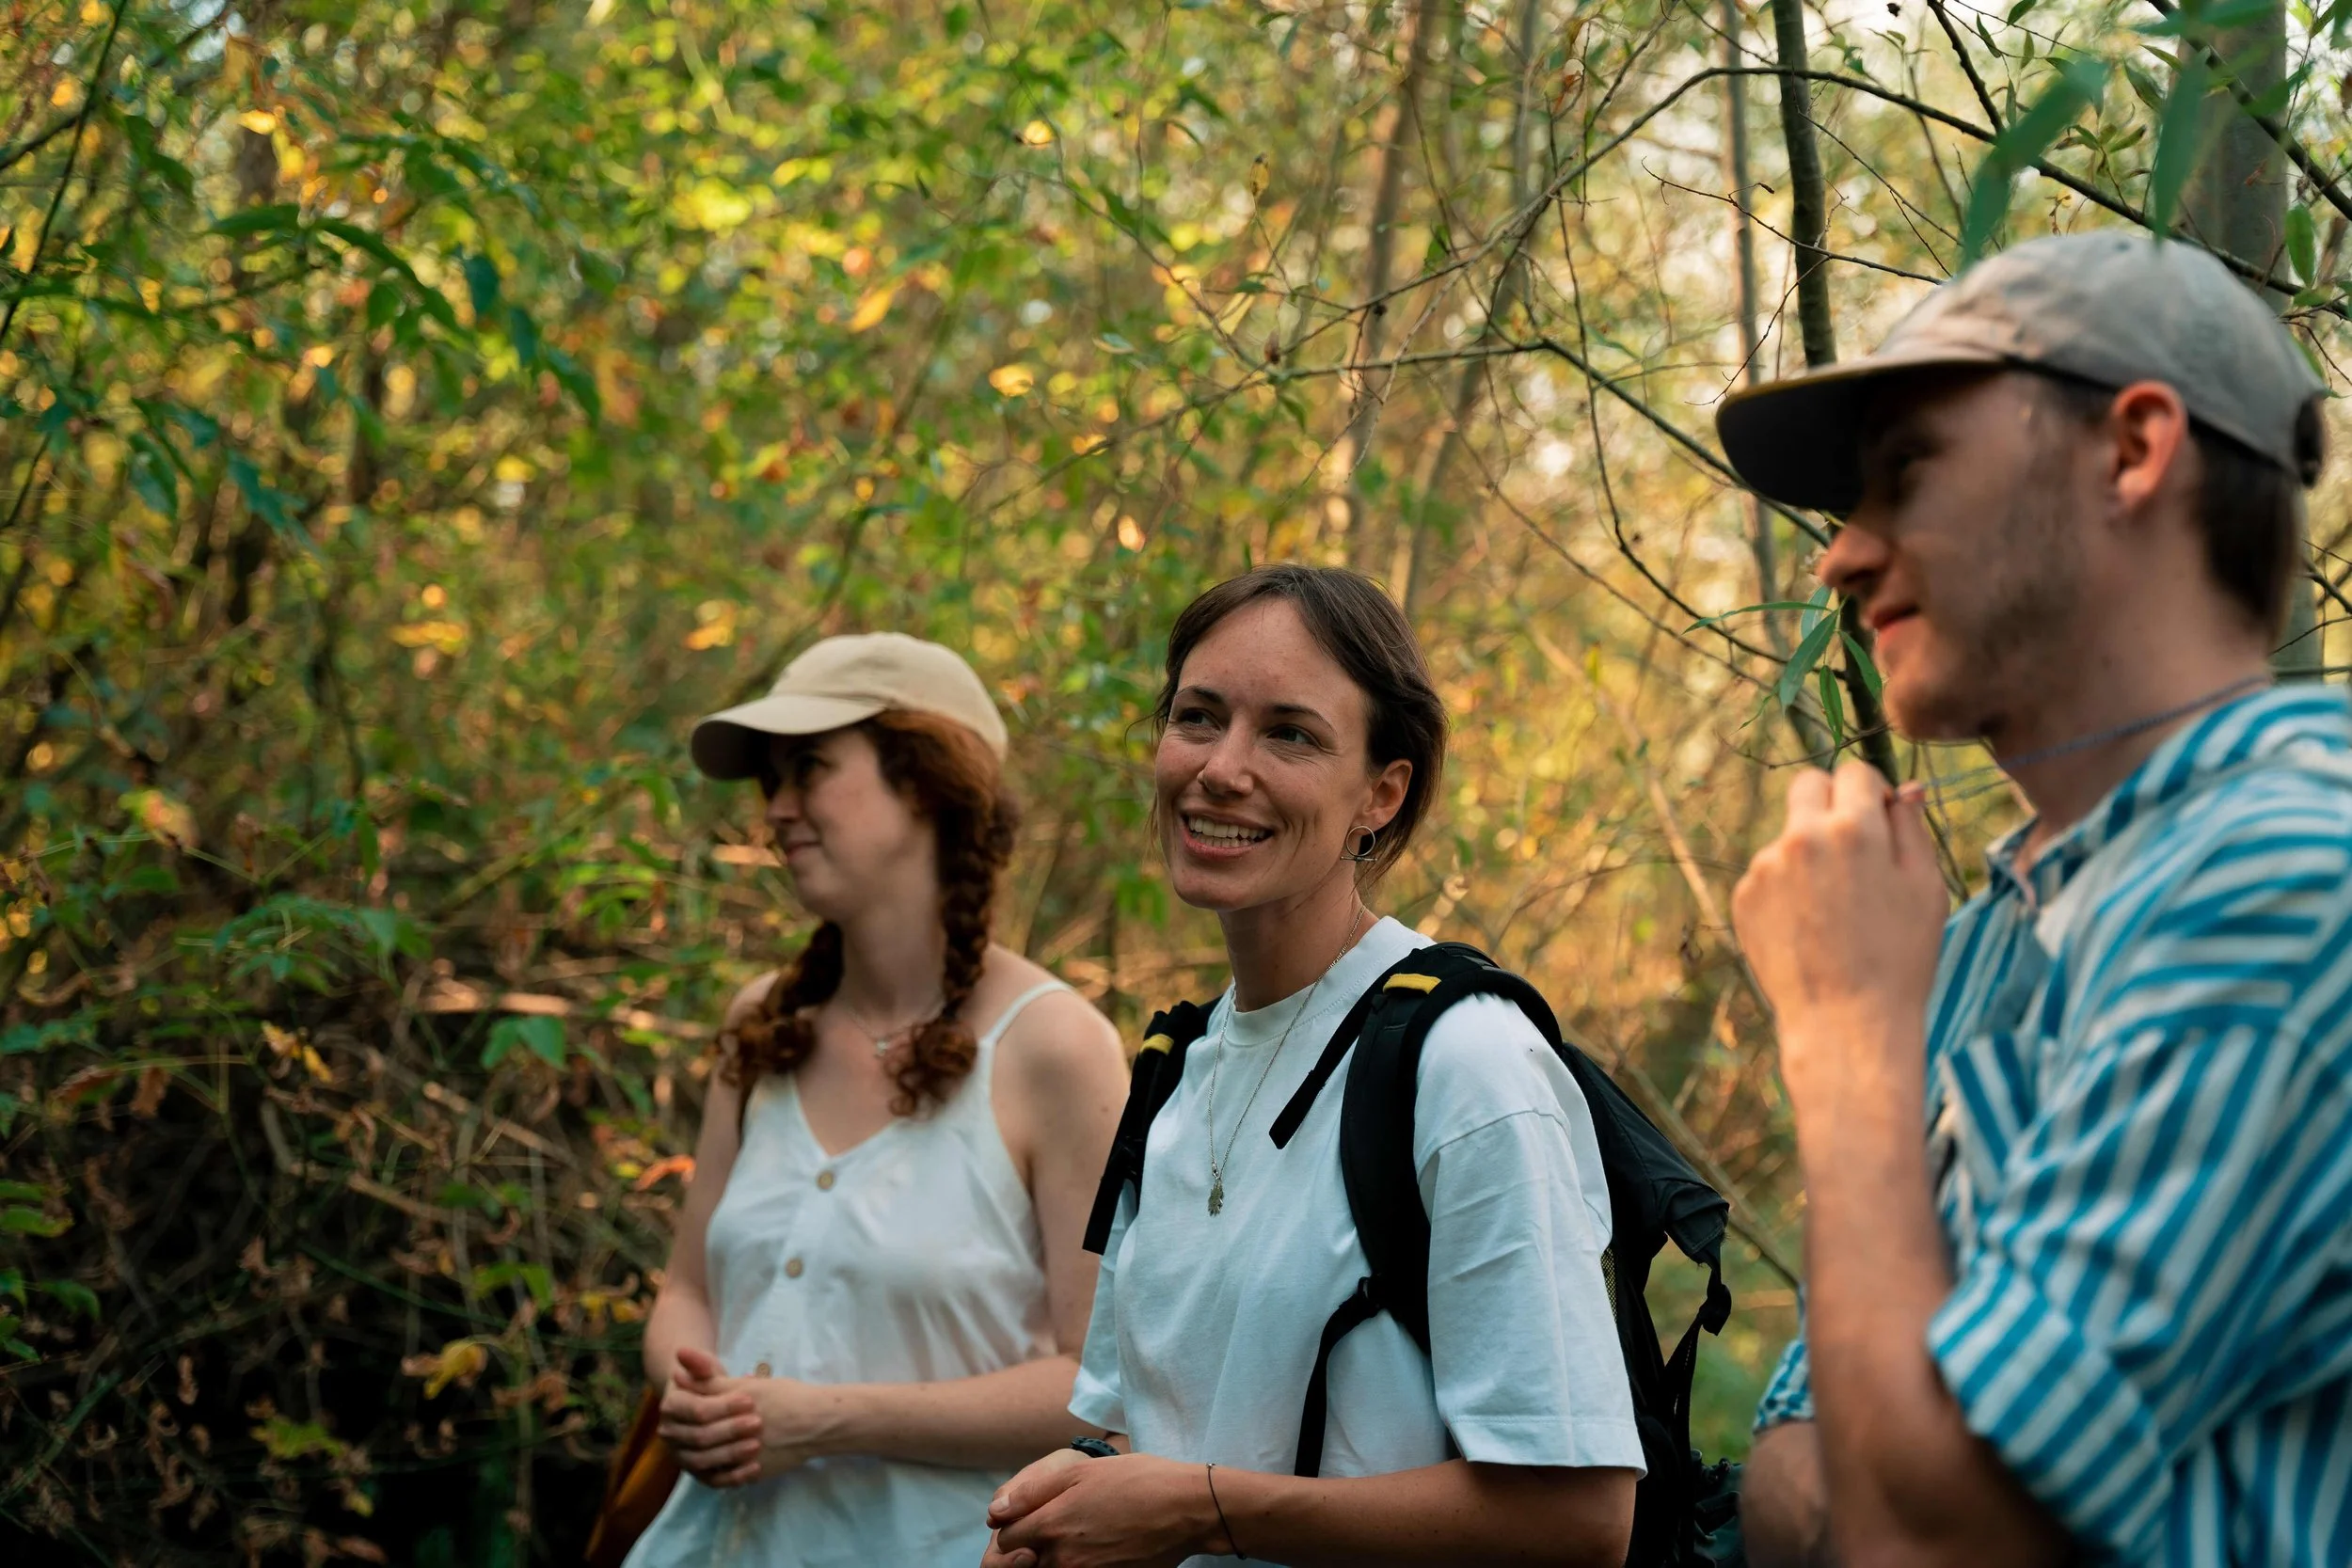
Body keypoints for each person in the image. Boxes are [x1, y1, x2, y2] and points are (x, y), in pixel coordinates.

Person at [1716, 230, 2352, 1566]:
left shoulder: (2292, 875)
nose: (1840, 557)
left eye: (1907, 473)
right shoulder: (1976, 937)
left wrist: (1842, 1036)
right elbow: (1788, 1465)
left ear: (2132, 450)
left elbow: (1921, 1538)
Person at [982, 564, 1644, 1568]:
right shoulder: (1172, 1070)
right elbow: (1140, 1432)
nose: (1221, 768)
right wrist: (1058, 1518)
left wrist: (1202, 1508)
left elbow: (1580, 1515)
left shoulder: (1466, 1064)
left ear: (1381, 792)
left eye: (1289, 733)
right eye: (1198, 717)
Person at [624, 632, 1129, 1568]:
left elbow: (1101, 1389)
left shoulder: (1056, 1049)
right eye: (770, 779)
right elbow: (686, 1289)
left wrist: (826, 1418)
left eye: (809, 768)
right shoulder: (763, 1025)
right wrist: (689, 1390)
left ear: (926, 782)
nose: (776, 809)